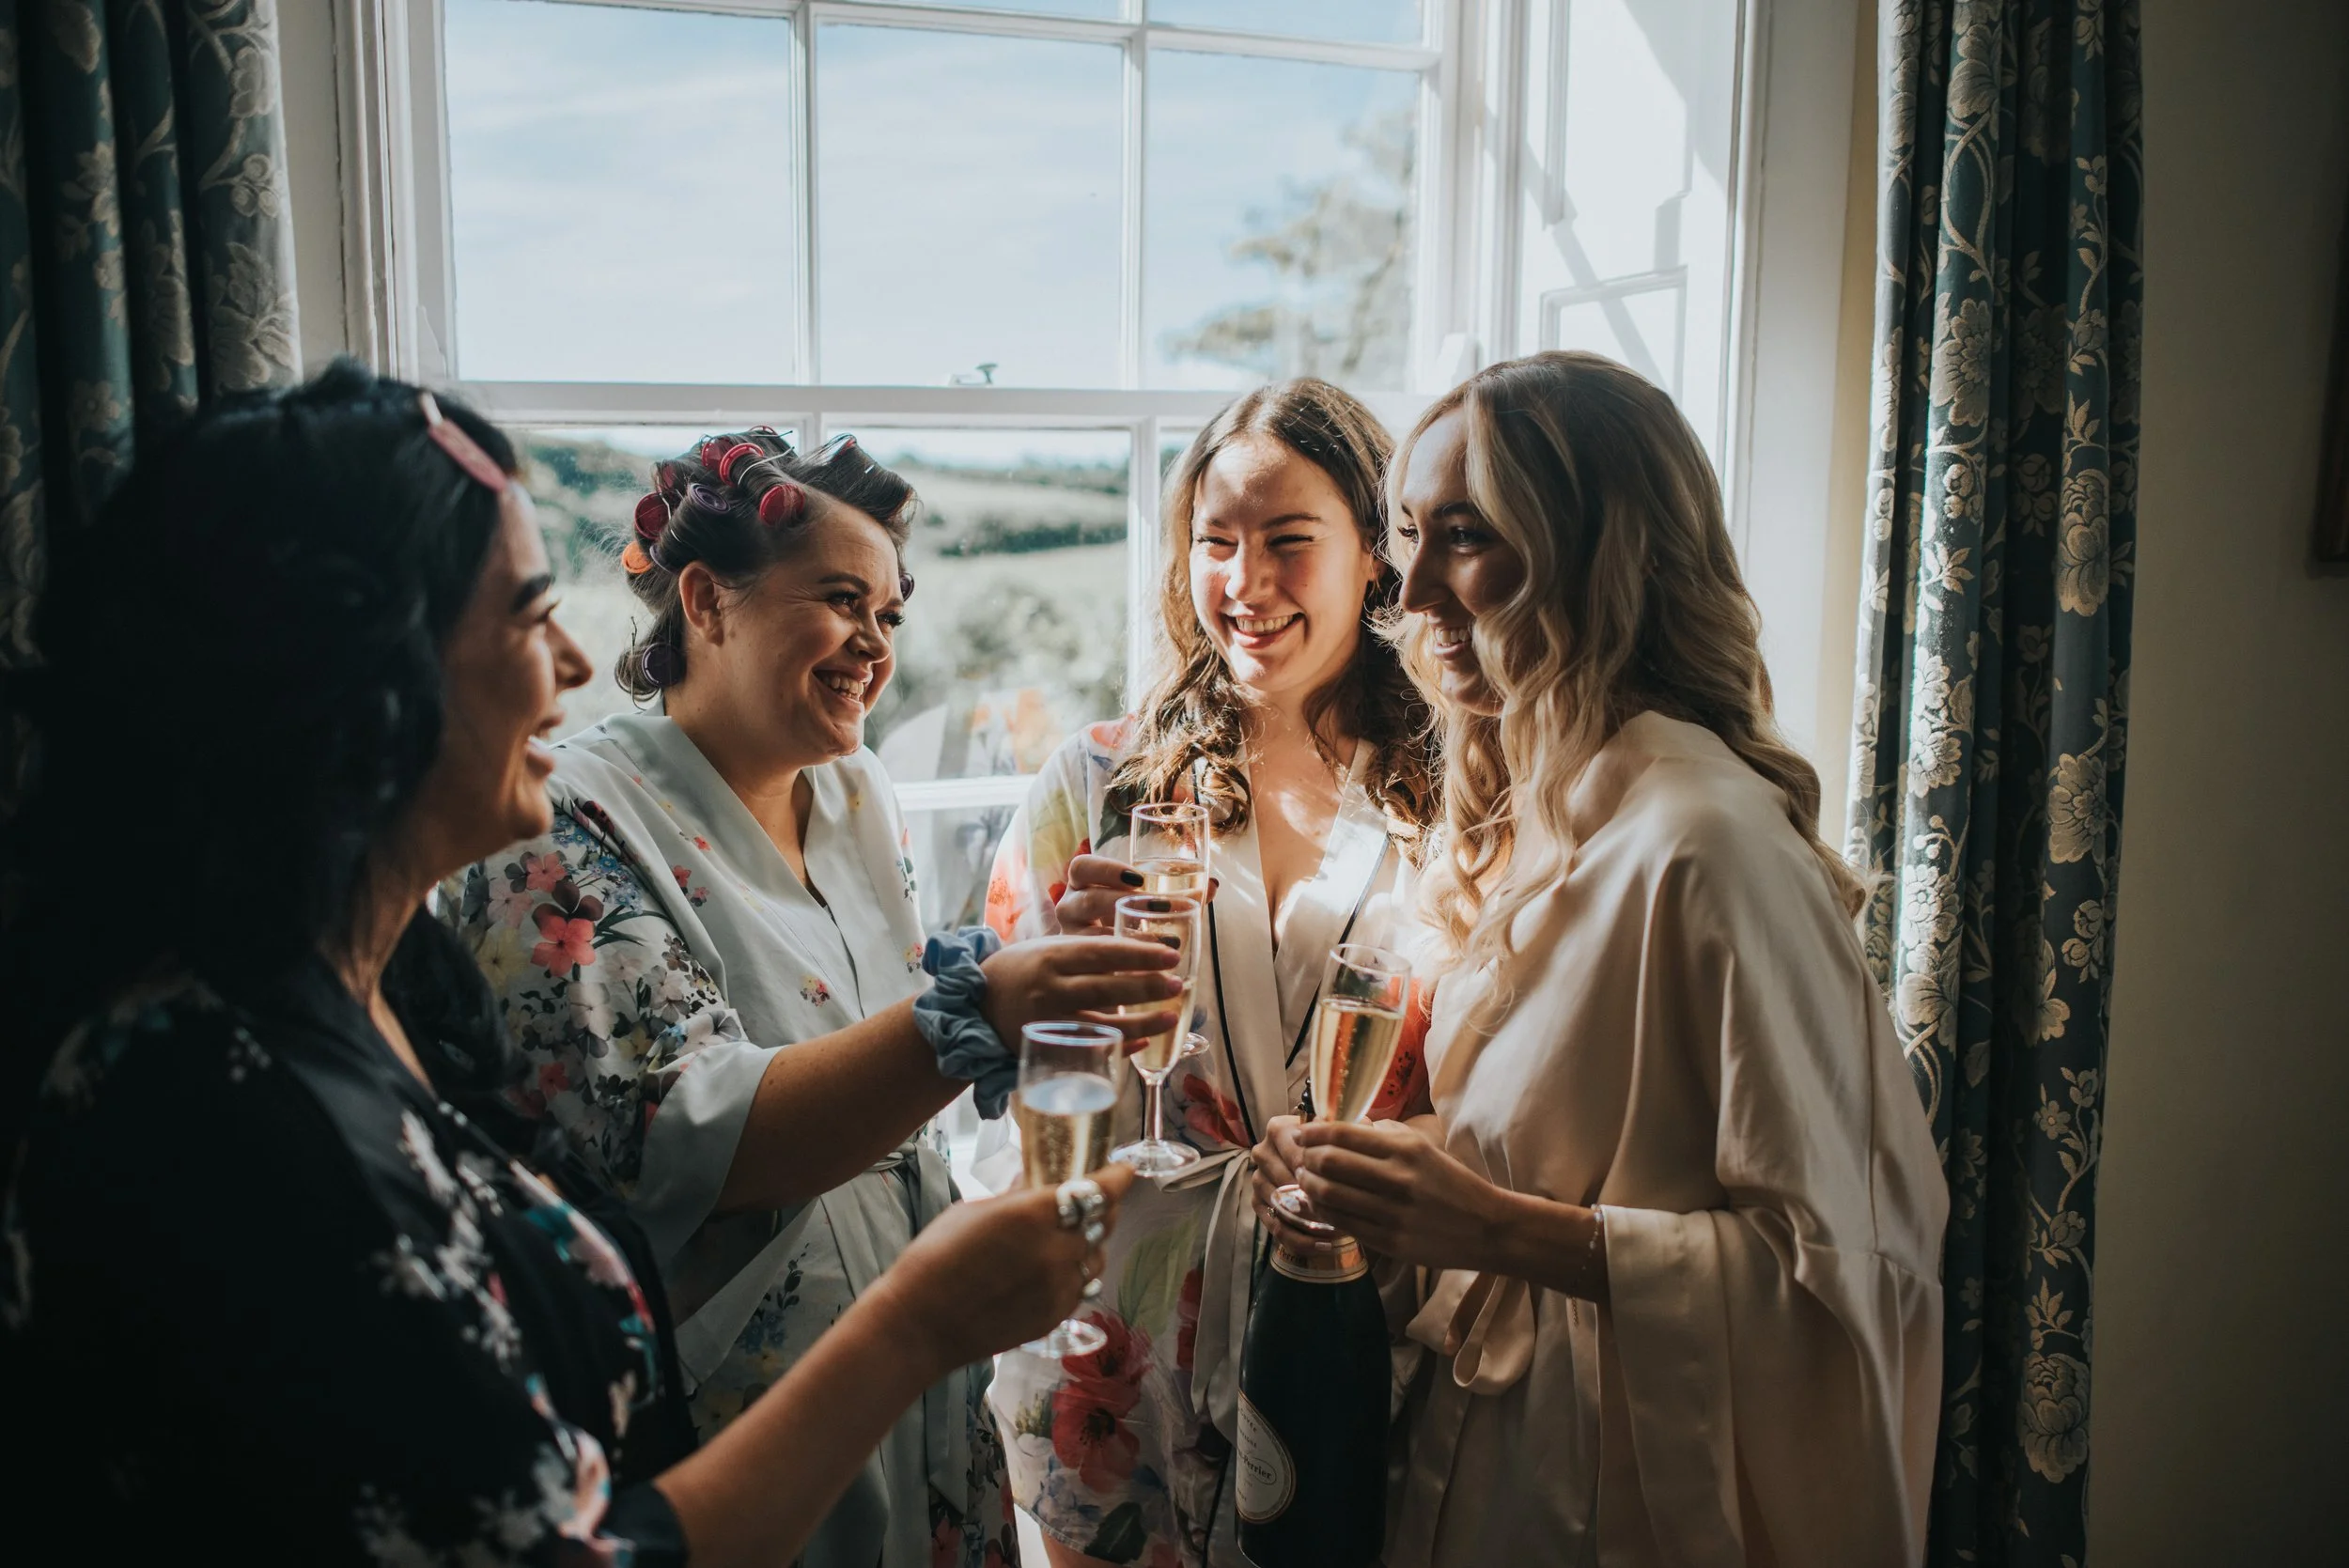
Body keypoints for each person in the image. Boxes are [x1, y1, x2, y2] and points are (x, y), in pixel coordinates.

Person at [0, 364, 1139, 1565]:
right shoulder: (215, 1104)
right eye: (526, 613)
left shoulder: (400, 993)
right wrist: (912, 1323)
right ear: (370, 671)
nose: (581, 664)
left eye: (890, 612)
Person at [1252, 351, 1949, 1565]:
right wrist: (1388, 1176)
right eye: (1409, 531)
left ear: (1603, 549)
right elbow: (1554, 1143)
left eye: (1463, 535)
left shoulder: (1709, 846)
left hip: (1618, 1493)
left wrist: (1505, 1234)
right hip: (1485, 1453)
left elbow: (1852, 1275)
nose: (1409, 588)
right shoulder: (1546, 808)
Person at [442, 425, 1182, 1568]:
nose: (874, 645)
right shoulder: (560, 824)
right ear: (707, 599)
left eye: (890, 615)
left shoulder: (855, 791)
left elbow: (874, 1031)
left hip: (921, 1392)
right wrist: (983, 1010)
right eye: (842, 600)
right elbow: (680, 1139)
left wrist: (1038, 963)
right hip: (742, 1425)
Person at [983, 380, 1439, 1568]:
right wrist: (1054, 989)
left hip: (1357, 1316)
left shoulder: (1452, 795)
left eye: (1289, 541)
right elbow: (1002, 1080)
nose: (1246, 581)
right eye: (1215, 541)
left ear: (1377, 556)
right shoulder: (1101, 784)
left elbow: (1512, 1075)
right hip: (1119, 1341)